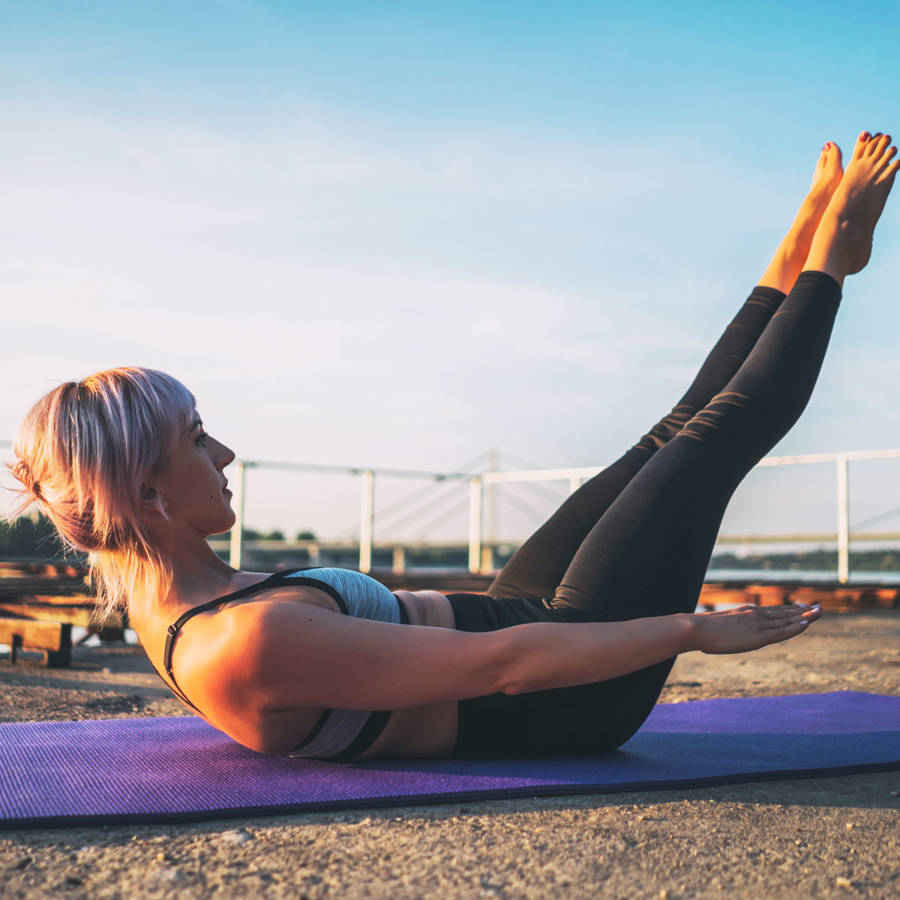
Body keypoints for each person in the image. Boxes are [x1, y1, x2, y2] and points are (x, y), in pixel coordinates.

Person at [8, 131, 897, 762]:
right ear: (151, 498)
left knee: (669, 433)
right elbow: (505, 668)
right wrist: (694, 630)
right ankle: (828, 265)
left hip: (522, 617)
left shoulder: (184, 596)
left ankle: (800, 256)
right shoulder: (235, 643)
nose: (228, 455)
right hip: (569, 688)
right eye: (199, 440)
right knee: (719, 435)